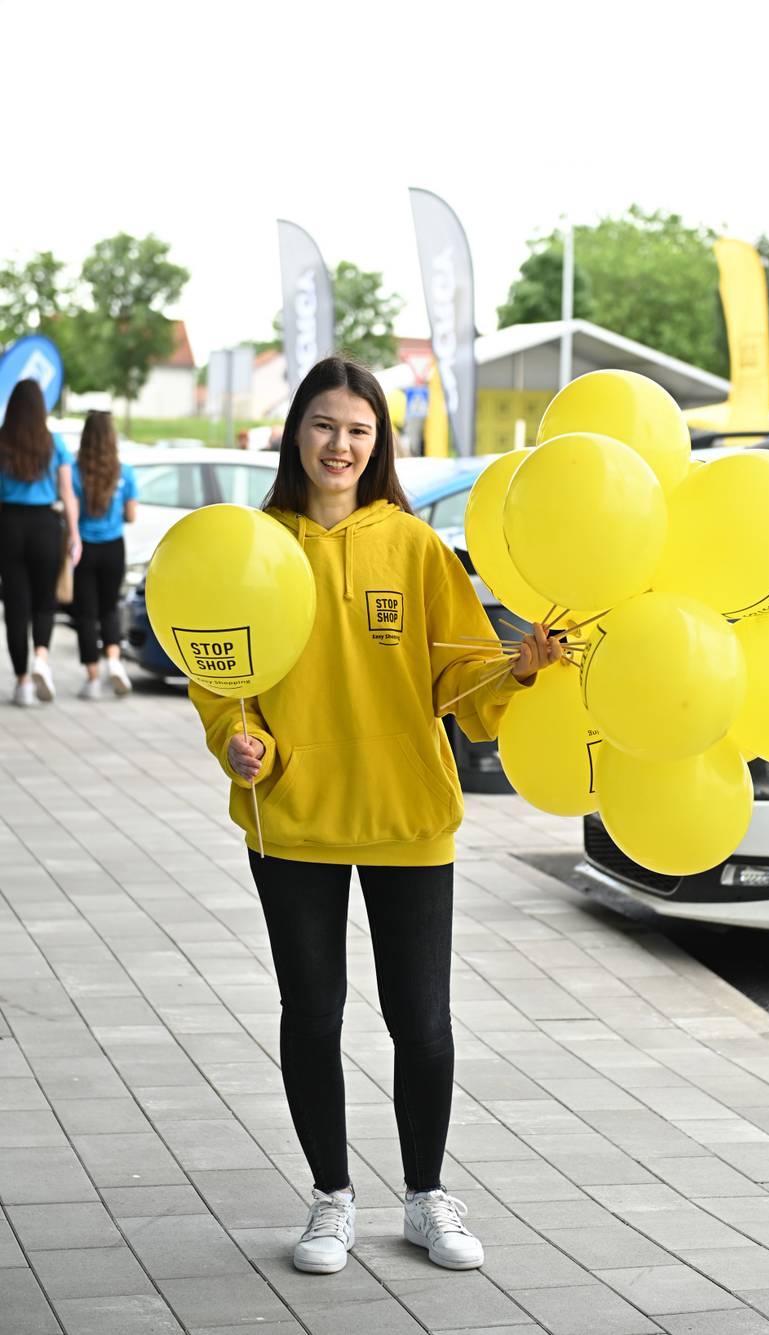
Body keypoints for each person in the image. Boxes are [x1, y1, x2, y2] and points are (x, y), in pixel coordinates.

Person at [189, 356, 563, 1276]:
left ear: (379, 441)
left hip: (408, 817)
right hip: (296, 819)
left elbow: (459, 678)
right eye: (324, 425)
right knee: (313, 1015)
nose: (341, 445)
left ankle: (428, 1197)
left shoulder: (415, 547)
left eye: (359, 429)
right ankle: (331, 1199)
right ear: (296, 433)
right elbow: (224, 678)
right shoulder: (256, 545)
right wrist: (240, 745)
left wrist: (514, 671)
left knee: (421, 1020)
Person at [0, 379, 81, 706]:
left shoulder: (2, 441)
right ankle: (42, 660)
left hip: (8, 525)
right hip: (45, 526)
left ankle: (22, 683)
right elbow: (66, 493)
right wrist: (75, 533)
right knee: (45, 599)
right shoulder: (54, 442)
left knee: (16, 605)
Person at [71, 411, 138, 700]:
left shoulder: (76, 471)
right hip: (114, 547)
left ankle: (92, 679)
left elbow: (71, 511)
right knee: (109, 607)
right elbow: (131, 515)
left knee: (85, 614)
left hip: (83, 549)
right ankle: (113, 662)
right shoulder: (125, 472)